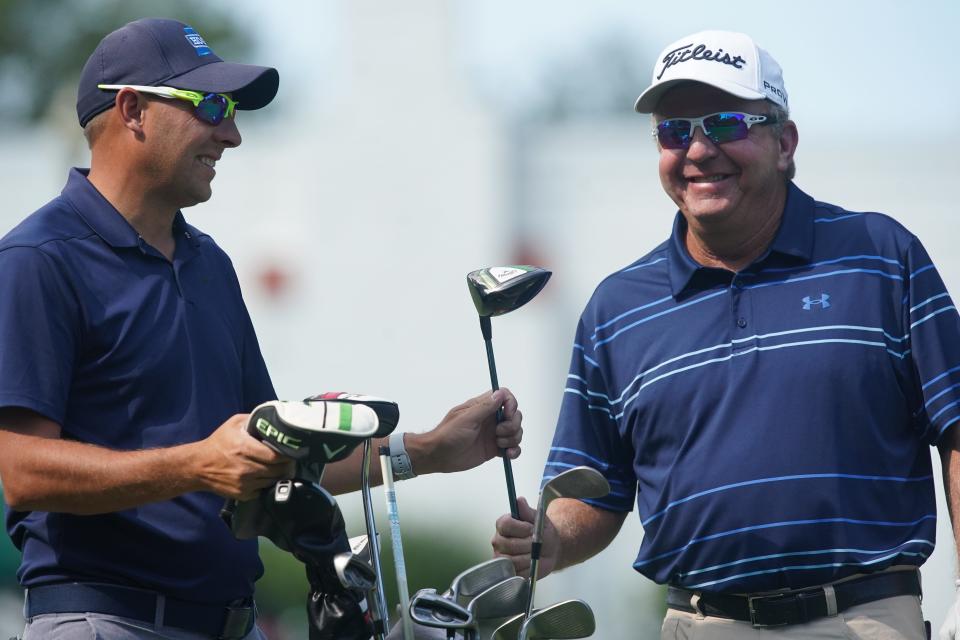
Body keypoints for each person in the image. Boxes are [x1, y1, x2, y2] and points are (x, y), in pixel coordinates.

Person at [0, 18, 523, 640]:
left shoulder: (209, 265)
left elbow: (272, 455)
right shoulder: (38, 259)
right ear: (133, 109)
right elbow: (21, 470)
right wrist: (197, 464)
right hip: (104, 621)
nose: (233, 134)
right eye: (213, 106)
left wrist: (428, 451)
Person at [492, 29, 959, 639]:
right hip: (700, 623)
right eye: (674, 131)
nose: (699, 149)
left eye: (727, 124)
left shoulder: (880, 257)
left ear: (785, 143)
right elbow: (597, 488)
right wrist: (551, 538)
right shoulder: (616, 309)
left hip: (866, 615)